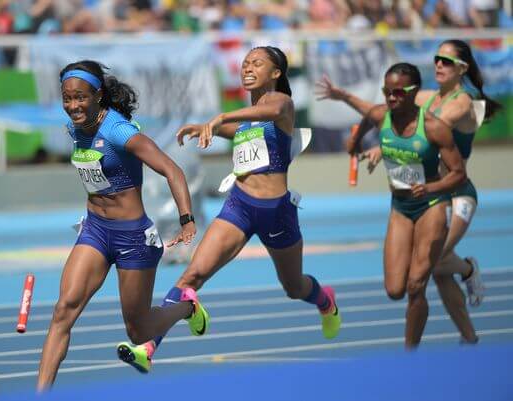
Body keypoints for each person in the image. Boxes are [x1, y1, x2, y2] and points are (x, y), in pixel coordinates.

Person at [116, 46, 341, 372]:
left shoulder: (282, 106)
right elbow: (238, 129)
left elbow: (266, 112)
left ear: (276, 73)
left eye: (257, 63)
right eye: (246, 63)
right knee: (192, 275)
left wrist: (221, 117)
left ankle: (325, 300)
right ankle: (147, 349)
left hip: (276, 213)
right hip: (239, 207)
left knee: (294, 287)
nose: (248, 67)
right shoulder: (247, 120)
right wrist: (203, 127)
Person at [37, 60, 208, 390]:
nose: (73, 106)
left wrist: (186, 219)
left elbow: (172, 170)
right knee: (62, 312)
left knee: (139, 331)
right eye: (67, 98)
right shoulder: (75, 128)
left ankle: (187, 307)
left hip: (133, 238)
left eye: (81, 98)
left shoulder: (118, 131)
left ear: (98, 95)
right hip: (95, 230)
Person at [316, 39, 501, 344]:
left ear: (462, 68)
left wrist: (387, 142)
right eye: (437, 59)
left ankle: (467, 269)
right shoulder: (430, 96)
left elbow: (423, 128)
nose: (439, 64)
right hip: (415, 195)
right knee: (436, 270)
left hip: (454, 193)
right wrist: (381, 143)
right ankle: (469, 339)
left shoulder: (462, 102)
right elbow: (397, 114)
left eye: (446, 60)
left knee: (434, 265)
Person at [347, 62, 467, 348]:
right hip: (400, 207)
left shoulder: (434, 128)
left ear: (414, 92)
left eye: (398, 92)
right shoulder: (380, 115)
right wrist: (354, 145)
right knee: (394, 289)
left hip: (431, 205)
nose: (391, 97)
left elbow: (459, 174)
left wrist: (431, 187)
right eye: (387, 91)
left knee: (415, 286)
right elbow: (364, 122)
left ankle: (410, 353)